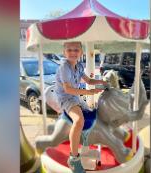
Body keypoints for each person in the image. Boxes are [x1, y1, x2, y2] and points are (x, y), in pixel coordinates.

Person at [55, 42, 107, 173]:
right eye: (69, 50)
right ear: (64, 52)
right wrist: (89, 93)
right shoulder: (64, 67)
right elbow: (67, 89)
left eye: (76, 50)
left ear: (81, 53)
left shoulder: (78, 66)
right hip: (66, 98)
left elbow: (88, 81)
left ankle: (85, 144)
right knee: (79, 120)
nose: (73, 52)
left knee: (93, 113)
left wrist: (102, 81)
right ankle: (74, 158)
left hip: (75, 97)